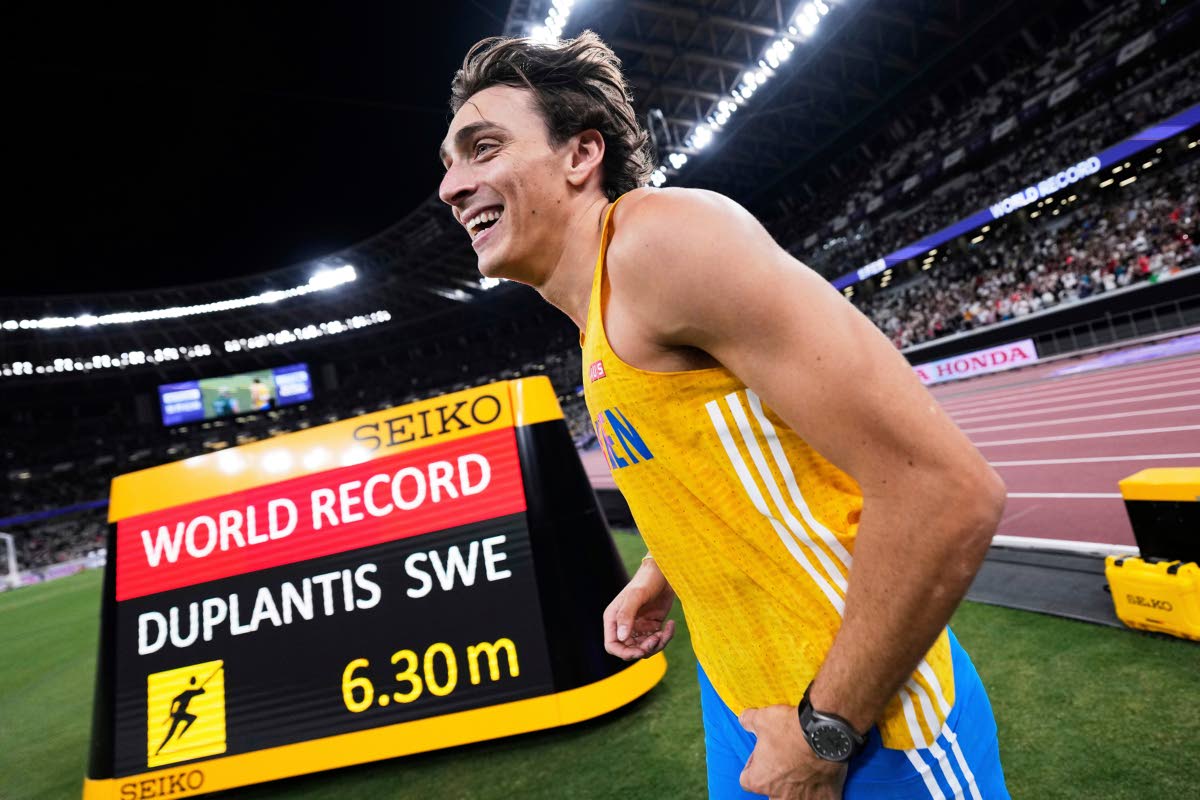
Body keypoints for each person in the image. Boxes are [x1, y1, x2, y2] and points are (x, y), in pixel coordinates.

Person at [439, 32, 1009, 800]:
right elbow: (723, 465)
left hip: (862, 727)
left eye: (482, 148)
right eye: (449, 162)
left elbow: (948, 491)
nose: (451, 186)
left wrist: (826, 732)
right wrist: (661, 570)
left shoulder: (662, 242)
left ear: (580, 157)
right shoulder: (599, 312)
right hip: (745, 702)